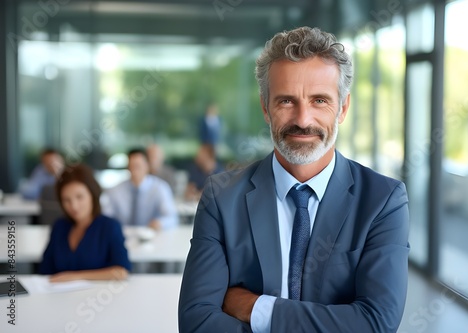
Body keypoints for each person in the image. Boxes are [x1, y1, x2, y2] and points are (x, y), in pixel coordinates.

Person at [178, 26, 410, 333]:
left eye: (319, 101)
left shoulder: (383, 200)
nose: (302, 120)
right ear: (265, 107)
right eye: (286, 101)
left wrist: (256, 307)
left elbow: (375, 323)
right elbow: (197, 322)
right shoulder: (222, 197)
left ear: (342, 107)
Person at [39, 164, 131, 282]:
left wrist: (76, 276)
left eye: (79, 197)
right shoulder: (59, 226)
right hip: (61, 297)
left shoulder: (110, 226)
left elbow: (121, 272)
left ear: (92, 195)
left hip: (97, 297)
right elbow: (45, 270)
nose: (74, 206)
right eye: (67, 200)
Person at [102, 148, 179, 231]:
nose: (135, 170)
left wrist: (160, 223)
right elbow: (106, 216)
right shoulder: (115, 191)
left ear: (147, 166)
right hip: (122, 235)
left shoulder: (160, 188)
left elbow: (172, 218)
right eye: (132, 166)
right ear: (128, 167)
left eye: (138, 166)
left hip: (152, 237)